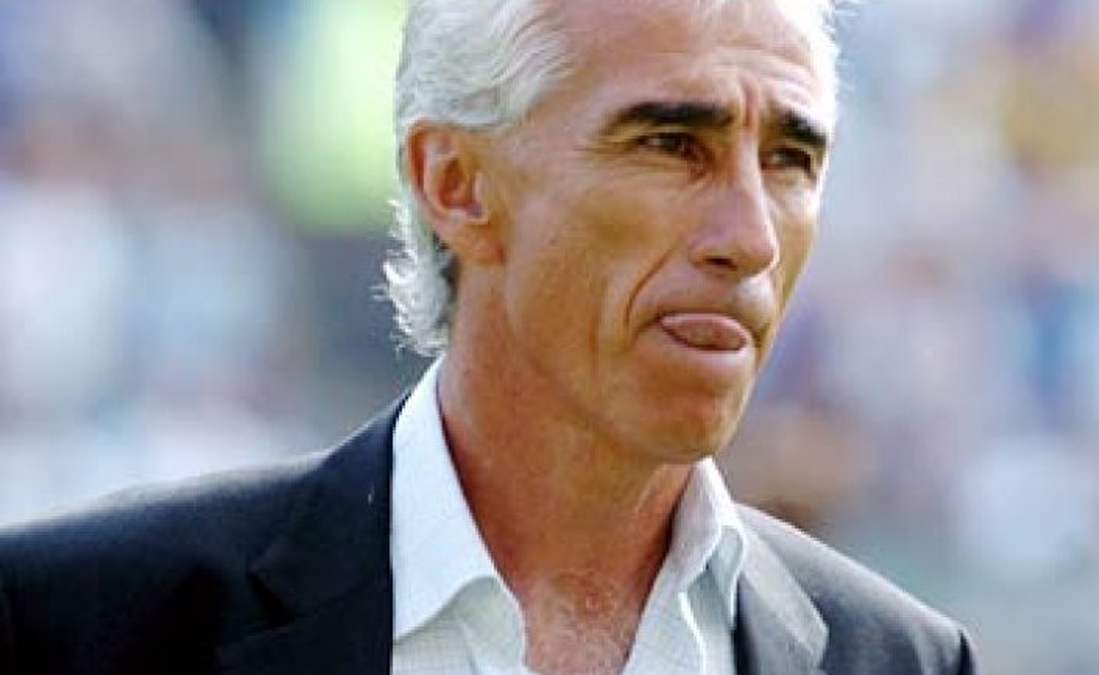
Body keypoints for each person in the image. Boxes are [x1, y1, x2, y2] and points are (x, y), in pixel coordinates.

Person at [0, 0, 980, 673]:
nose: (752, 238)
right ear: (456, 184)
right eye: (671, 144)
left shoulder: (903, 660)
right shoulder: (80, 621)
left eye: (790, 161)